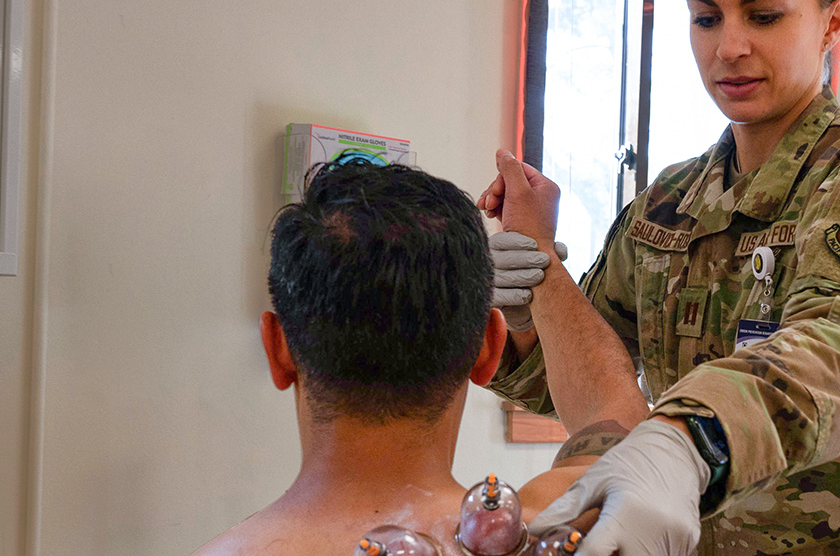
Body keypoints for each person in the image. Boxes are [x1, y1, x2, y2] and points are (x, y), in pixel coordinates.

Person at [478, 0, 840, 556]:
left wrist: (685, 442)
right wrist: (527, 302)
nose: (730, 46)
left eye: (764, 15)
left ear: (832, 23)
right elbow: (578, 386)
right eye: (706, 18)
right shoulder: (667, 206)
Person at [191, 160, 646, 556]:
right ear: (489, 348)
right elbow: (614, 414)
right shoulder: (554, 531)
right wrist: (538, 251)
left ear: (277, 349)